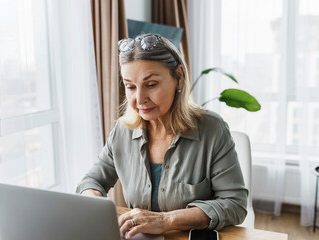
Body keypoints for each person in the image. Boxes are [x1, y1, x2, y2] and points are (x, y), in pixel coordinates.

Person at [76, 33, 248, 239]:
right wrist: (93, 201)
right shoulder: (123, 131)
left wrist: (166, 221)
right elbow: (92, 181)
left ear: (179, 78)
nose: (139, 99)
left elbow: (234, 203)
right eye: (130, 86)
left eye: (151, 85)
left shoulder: (212, 129)